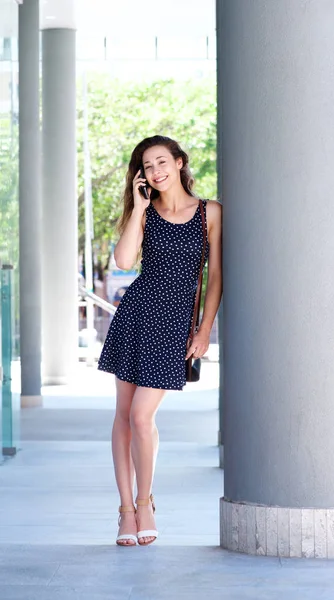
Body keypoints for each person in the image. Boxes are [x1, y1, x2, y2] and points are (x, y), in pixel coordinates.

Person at [98, 135, 222, 547]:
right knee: (123, 415)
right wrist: (137, 209)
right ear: (141, 175)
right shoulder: (145, 213)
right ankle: (125, 511)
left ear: (180, 162)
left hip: (173, 326)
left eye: (162, 162)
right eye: (148, 166)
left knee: (140, 416)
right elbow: (124, 261)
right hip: (137, 315)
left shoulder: (209, 213)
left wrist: (204, 329)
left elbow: (216, 276)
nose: (156, 171)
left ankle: (146, 501)